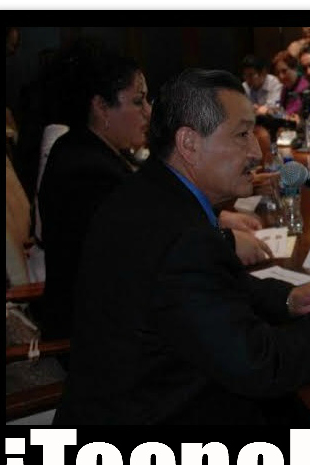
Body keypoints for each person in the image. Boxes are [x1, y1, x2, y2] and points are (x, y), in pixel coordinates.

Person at [52, 68, 310, 425]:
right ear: (189, 144)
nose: (255, 151)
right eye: (242, 134)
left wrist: (287, 299)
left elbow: (213, 285)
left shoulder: (152, 192)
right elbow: (261, 365)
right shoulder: (181, 236)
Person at [37, 44, 270, 343]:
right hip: (100, 335)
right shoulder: (87, 171)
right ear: (102, 107)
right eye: (138, 101)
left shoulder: (89, 150)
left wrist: (220, 217)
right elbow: (150, 242)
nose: (149, 112)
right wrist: (226, 240)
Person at [271, 49, 308, 119]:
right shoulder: (285, 88)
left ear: (294, 68)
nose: (281, 76)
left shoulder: (305, 87)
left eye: (284, 71)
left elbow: (294, 113)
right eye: (277, 73)